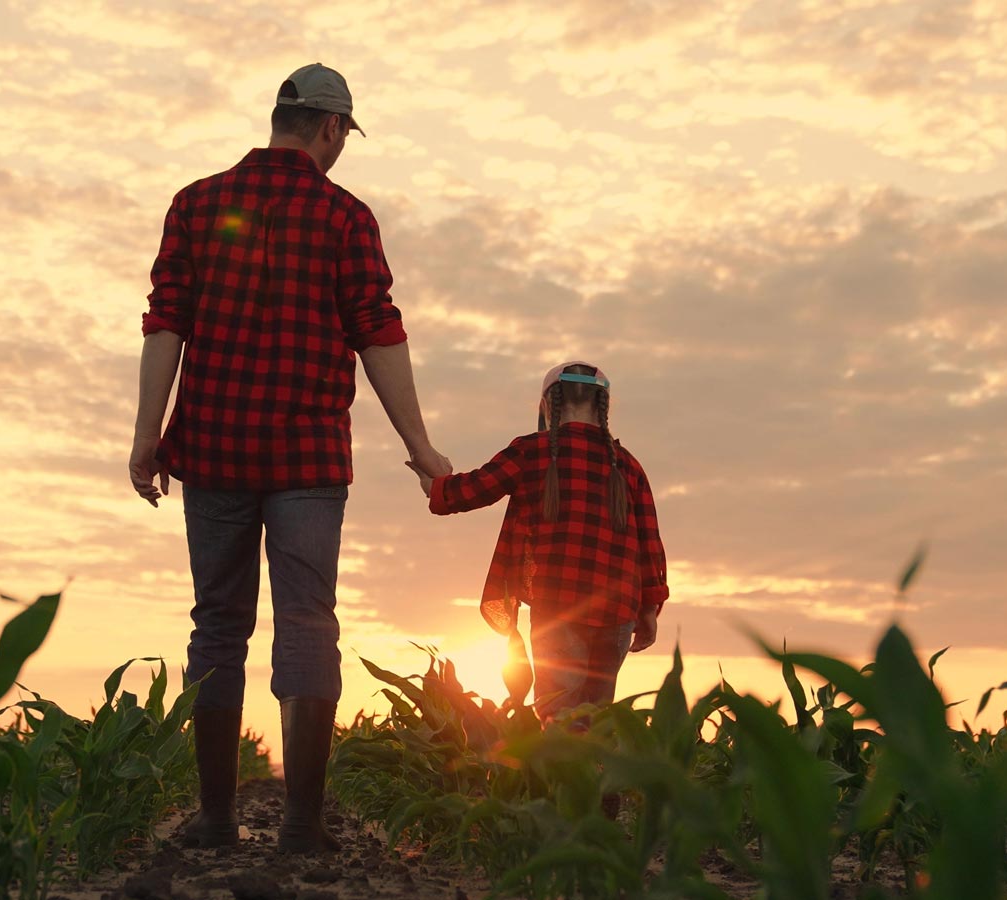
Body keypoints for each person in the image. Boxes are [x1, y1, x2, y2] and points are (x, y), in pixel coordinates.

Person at [130, 62, 451, 854]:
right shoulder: (346, 217)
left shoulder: (196, 203)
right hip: (307, 456)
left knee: (217, 627)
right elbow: (377, 330)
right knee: (307, 623)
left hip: (211, 446)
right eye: (344, 136)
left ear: (279, 117)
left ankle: (215, 819)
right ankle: (303, 826)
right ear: (331, 128)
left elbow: (165, 323)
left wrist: (147, 435)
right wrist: (421, 447)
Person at [407, 362, 668, 724]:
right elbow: (649, 544)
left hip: (558, 603)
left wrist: (434, 483)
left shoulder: (531, 451)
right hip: (618, 610)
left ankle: (559, 780)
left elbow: (473, 490)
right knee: (597, 717)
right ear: (603, 406)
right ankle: (591, 780)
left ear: (548, 405)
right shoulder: (628, 465)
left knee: (558, 714)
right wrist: (650, 612)